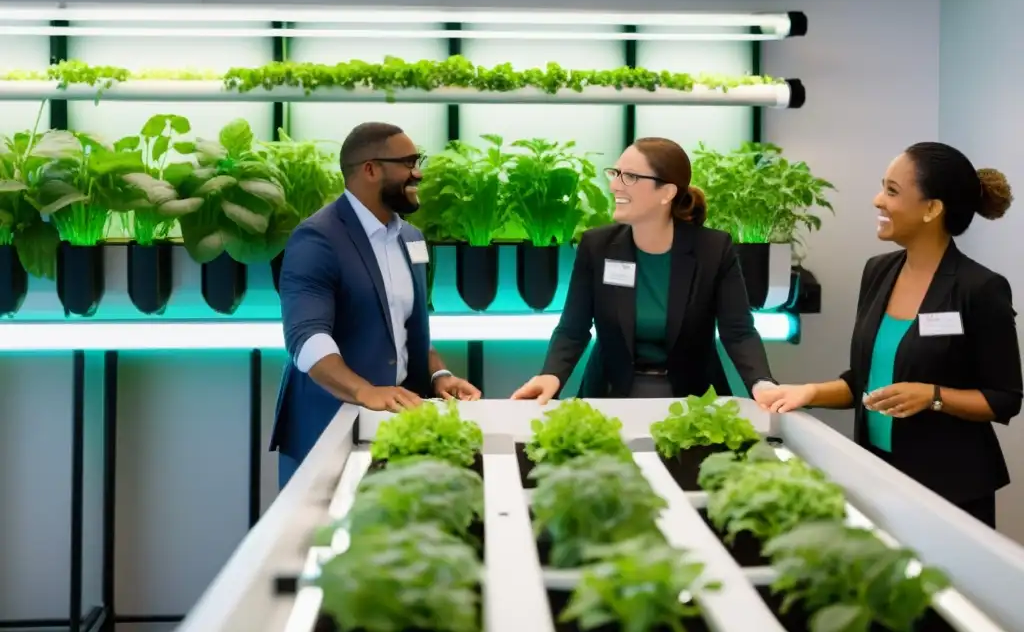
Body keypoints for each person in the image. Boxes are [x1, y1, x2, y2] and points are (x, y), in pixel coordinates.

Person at [756, 142, 1022, 528]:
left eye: (892, 191)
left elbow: (1004, 399)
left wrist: (933, 397)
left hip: (950, 490)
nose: (878, 200)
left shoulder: (979, 288)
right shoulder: (878, 271)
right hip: (878, 473)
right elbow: (866, 380)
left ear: (932, 208)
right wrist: (807, 393)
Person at [269, 122, 480, 487]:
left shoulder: (410, 238)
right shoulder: (316, 238)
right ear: (370, 169)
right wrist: (365, 391)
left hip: (394, 426)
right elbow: (307, 340)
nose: (419, 173)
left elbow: (402, 328)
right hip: (328, 428)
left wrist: (438, 375)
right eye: (409, 163)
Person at [511, 137, 777, 404]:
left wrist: (761, 383)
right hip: (610, 393)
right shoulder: (597, 246)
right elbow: (573, 328)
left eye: (630, 177)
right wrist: (550, 375)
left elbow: (738, 331)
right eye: (615, 173)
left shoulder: (713, 249)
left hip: (694, 398)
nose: (614, 185)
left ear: (667, 193)